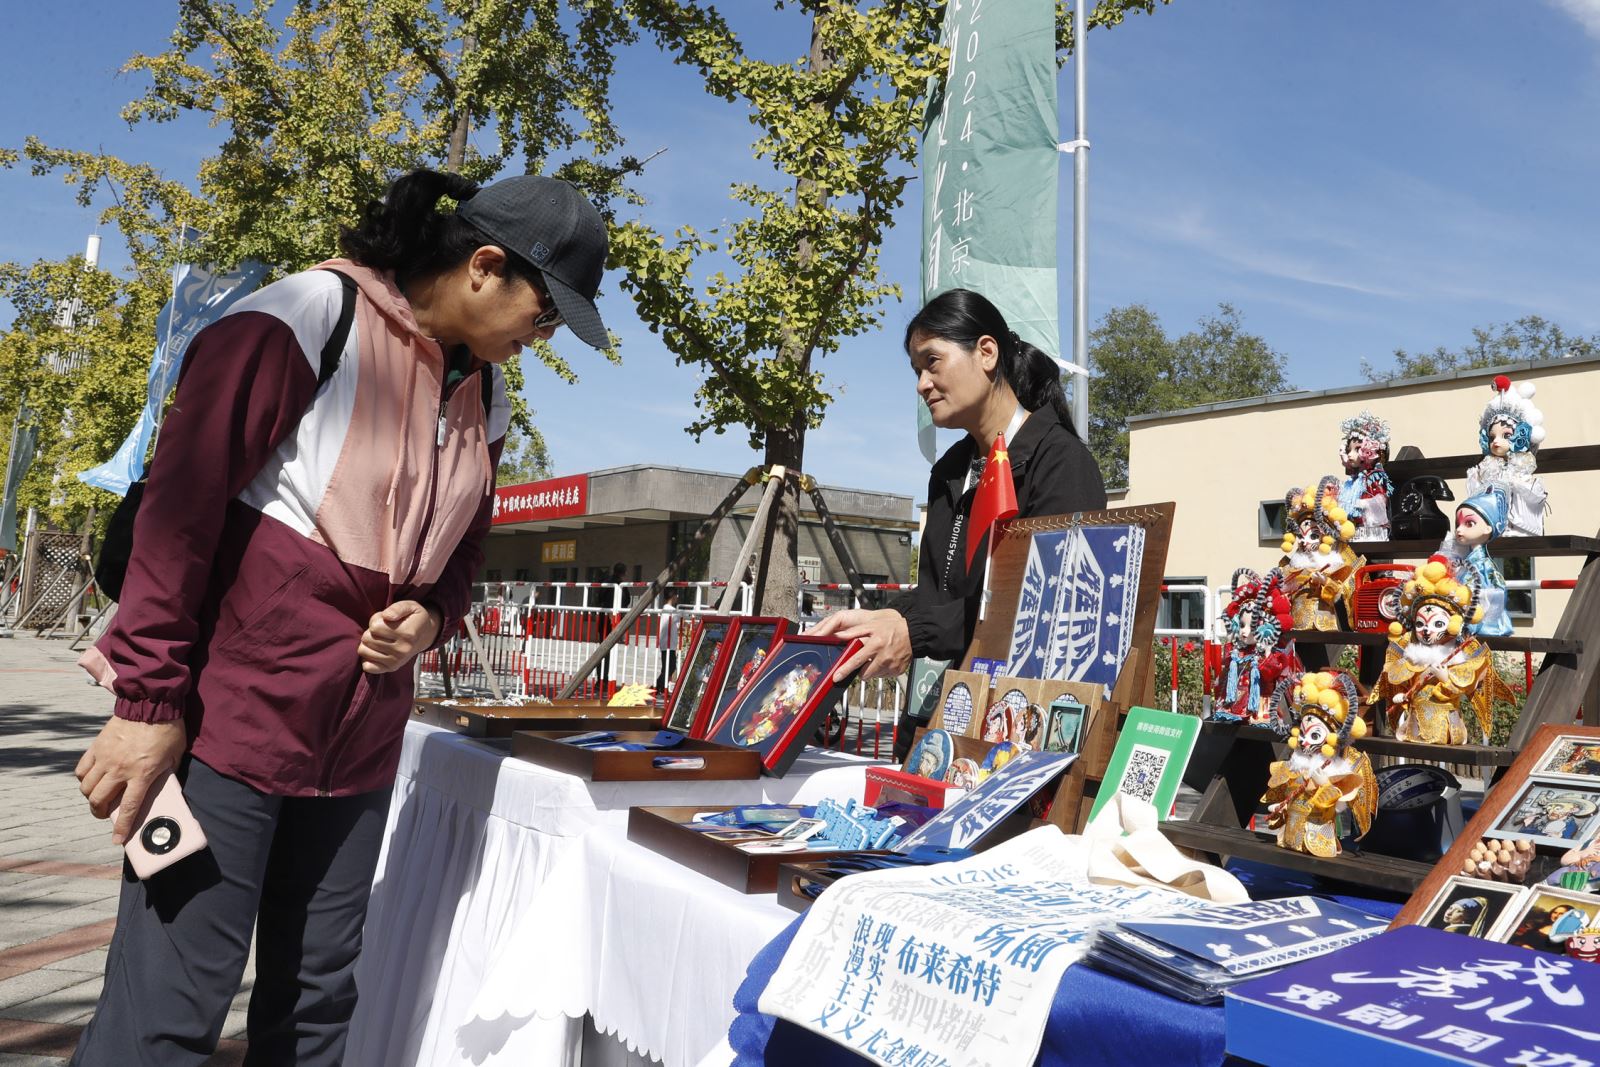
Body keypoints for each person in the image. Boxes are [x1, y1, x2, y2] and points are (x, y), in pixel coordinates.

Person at [70, 167, 610, 1065]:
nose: (544, 335)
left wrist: (432, 616)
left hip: (356, 756)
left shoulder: (489, 396)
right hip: (221, 737)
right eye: (546, 311)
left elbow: (468, 548)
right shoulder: (306, 317)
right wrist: (146, 707)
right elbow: (179, 513)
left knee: (318, 1007)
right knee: (168, 1009)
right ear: (484, 265)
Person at [812, 288, 1105, 755]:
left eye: (933, 362)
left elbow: (1047, 611)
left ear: (986, 353)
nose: (922, 384)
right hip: (940, 730)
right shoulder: (950, 470)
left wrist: (914, 630)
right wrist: (881, 621)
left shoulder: (1060, 463)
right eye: (916, 370)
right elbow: (942, 596)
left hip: (1021, 739)